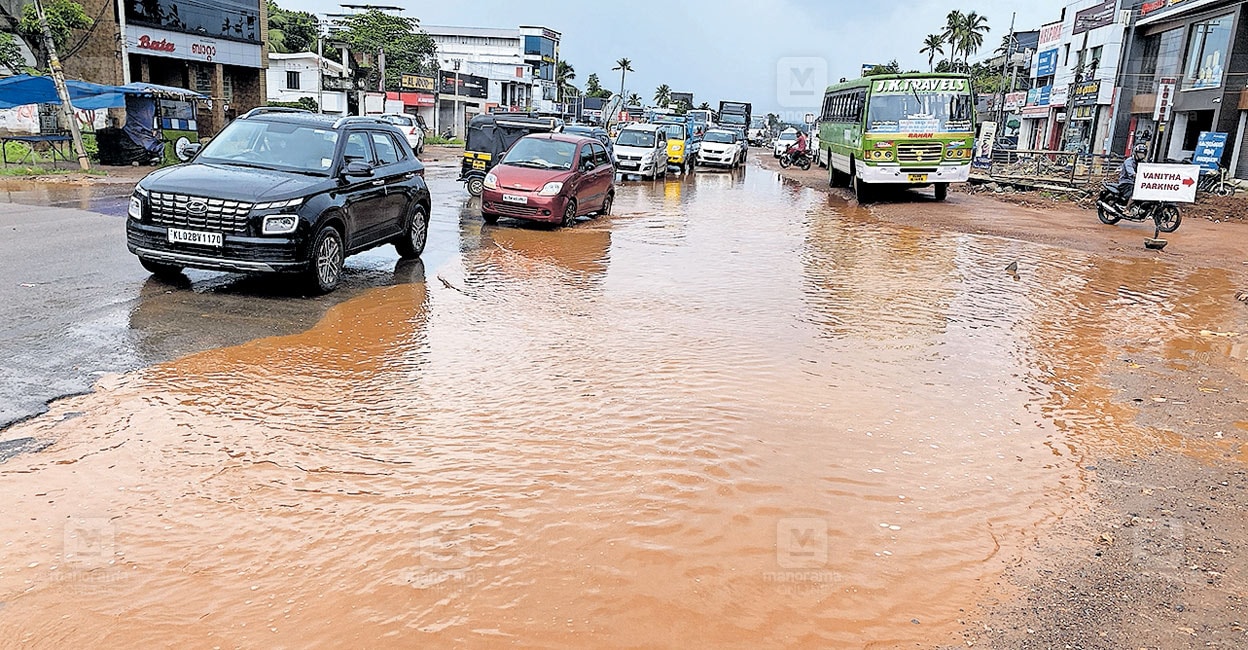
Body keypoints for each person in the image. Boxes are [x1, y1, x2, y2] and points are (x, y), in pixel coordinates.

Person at [1120, 143, 1148, 212]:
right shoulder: (1129, 161)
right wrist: (1136, 175)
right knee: (1135, 191)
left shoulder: (1143, 163)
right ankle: (1127, 209)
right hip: (1126, 182)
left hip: (1136, 182)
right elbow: (1131, 173)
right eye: (1140, 153)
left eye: (1143, 154)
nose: (1141, 155)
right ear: (1135, 153)